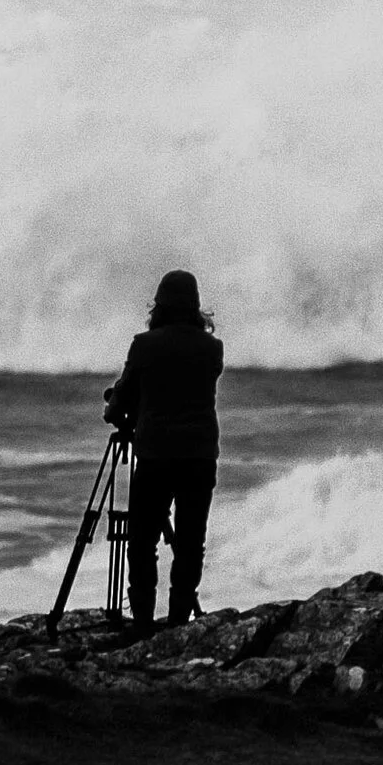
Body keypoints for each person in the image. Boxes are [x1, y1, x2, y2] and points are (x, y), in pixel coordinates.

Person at [102, 269, 225, 629]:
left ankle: (141, 621)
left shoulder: (145, 345)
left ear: (160, 304)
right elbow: (185, 387)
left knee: (142, 542)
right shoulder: (212, 348)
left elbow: (119, 403)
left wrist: (119, 405)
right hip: (200, 455)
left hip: (155, 454)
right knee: (190, 543)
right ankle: (178, 622)